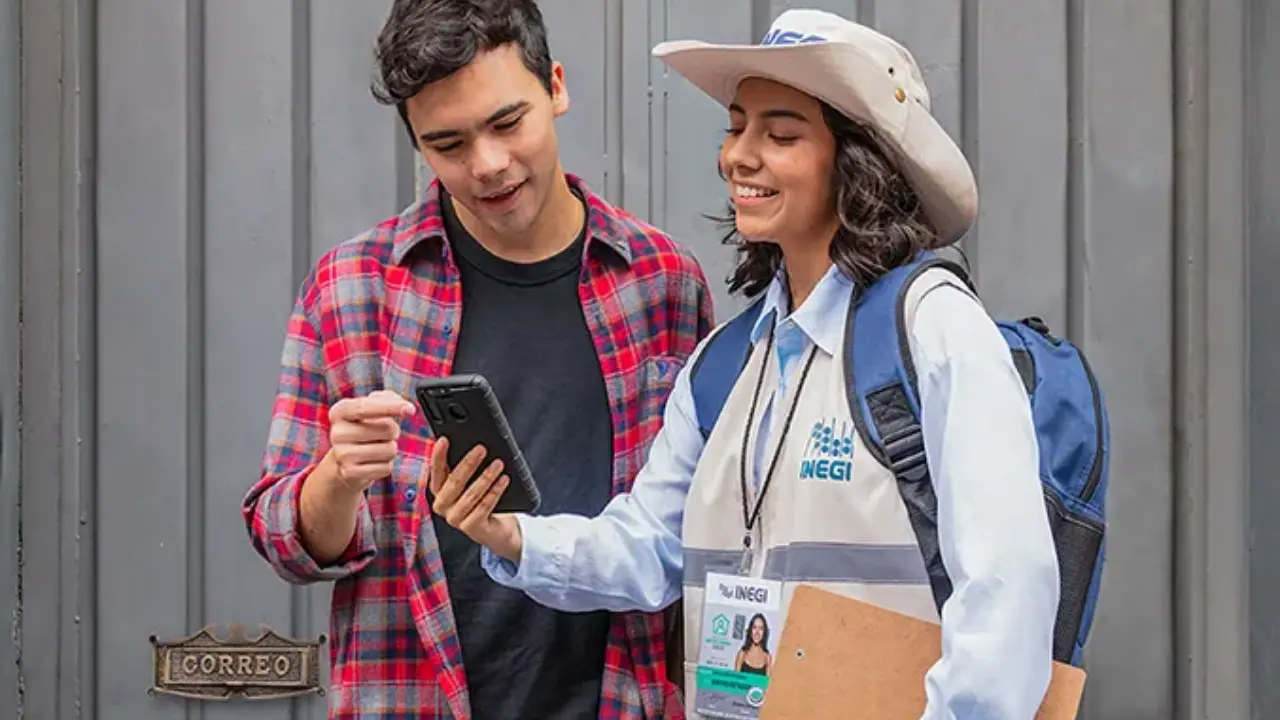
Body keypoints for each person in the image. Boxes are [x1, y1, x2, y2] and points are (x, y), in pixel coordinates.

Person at [430, 9, 1061, 720]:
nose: (738, 155)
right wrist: (511, 535)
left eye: (781, 134)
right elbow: (649, 549)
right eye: (737, 127)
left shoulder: (934, 328)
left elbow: (1009, 590)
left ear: (859, 163)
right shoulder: (724, 363)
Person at [241, 1, 714, 718]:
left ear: (555, 86)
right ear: (417, 144)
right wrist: (336, 479)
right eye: (449, 143)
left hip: (617, 700)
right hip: (411, 699)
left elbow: (693, 534)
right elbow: (285, 538)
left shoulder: (662, 281)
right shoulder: (352, 288)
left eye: (506, 123)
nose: (488, 165)